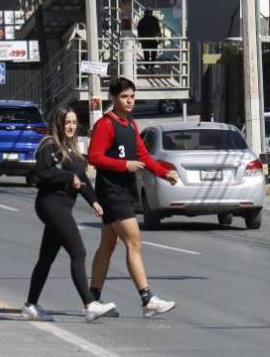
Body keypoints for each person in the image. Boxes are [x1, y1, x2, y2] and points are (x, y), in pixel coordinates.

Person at [87, 77, 179, 318]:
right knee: (134, 241)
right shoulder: (105, 125)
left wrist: (163, 173)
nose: (129, 101)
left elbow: (143, 155)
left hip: (125, 191)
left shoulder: (130, 125)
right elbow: (94, 157)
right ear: (113, 99)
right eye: (124, 97)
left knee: (107, 245)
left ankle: (92, 300)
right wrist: (123, 165)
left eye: (132, 97)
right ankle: (147, 299)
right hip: (111, 192)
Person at [22, 107, 116, 322]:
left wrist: (94, 202)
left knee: (46, 259)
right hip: (51, 205)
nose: (71, 126)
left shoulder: (71, 148)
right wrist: (67, 177)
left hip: (62, 206)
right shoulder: (49, 145)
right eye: (67, 122)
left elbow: (81, 178)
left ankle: (30, 305)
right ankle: (89, 304)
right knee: (78, 252)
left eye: (74, 122)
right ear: (58, 123)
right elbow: (42, 174)